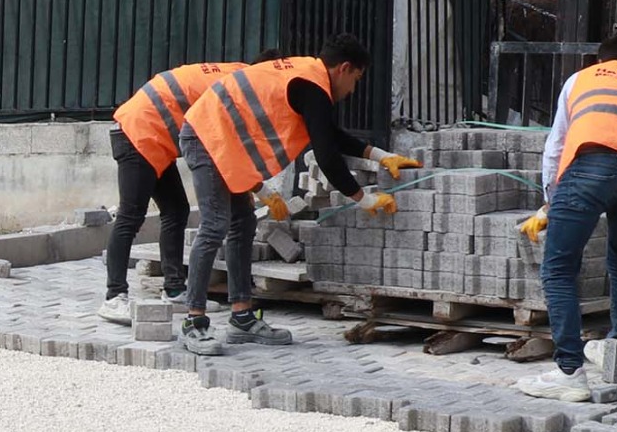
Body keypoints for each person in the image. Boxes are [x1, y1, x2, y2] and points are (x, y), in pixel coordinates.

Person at [173, 36, 413, 356]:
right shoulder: (311, 86)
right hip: (206, 137)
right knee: (215, 224)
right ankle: (194, 321)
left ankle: (242, 317)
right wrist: (364, 199)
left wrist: (380, 155)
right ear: (343, 69)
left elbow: (331, 135)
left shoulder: (306, 77)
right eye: (356, 80)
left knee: (242, 223)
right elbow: (327, 157)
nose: (353, 90)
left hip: (222, 139)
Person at [516, 37, 617, 403]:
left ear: (600, 59)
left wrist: (549, 202)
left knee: (558, 267)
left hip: (591, 166)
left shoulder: (581, 79)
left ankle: (569, 371)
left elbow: (557, 144)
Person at [101, 61, 242, 323]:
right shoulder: (237, 86)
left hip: (155, 138)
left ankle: (175, 289)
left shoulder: (233, 75)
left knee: (177, 209)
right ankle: (113, 297)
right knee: (131, 216)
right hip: (137, 135)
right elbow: (219, 141)